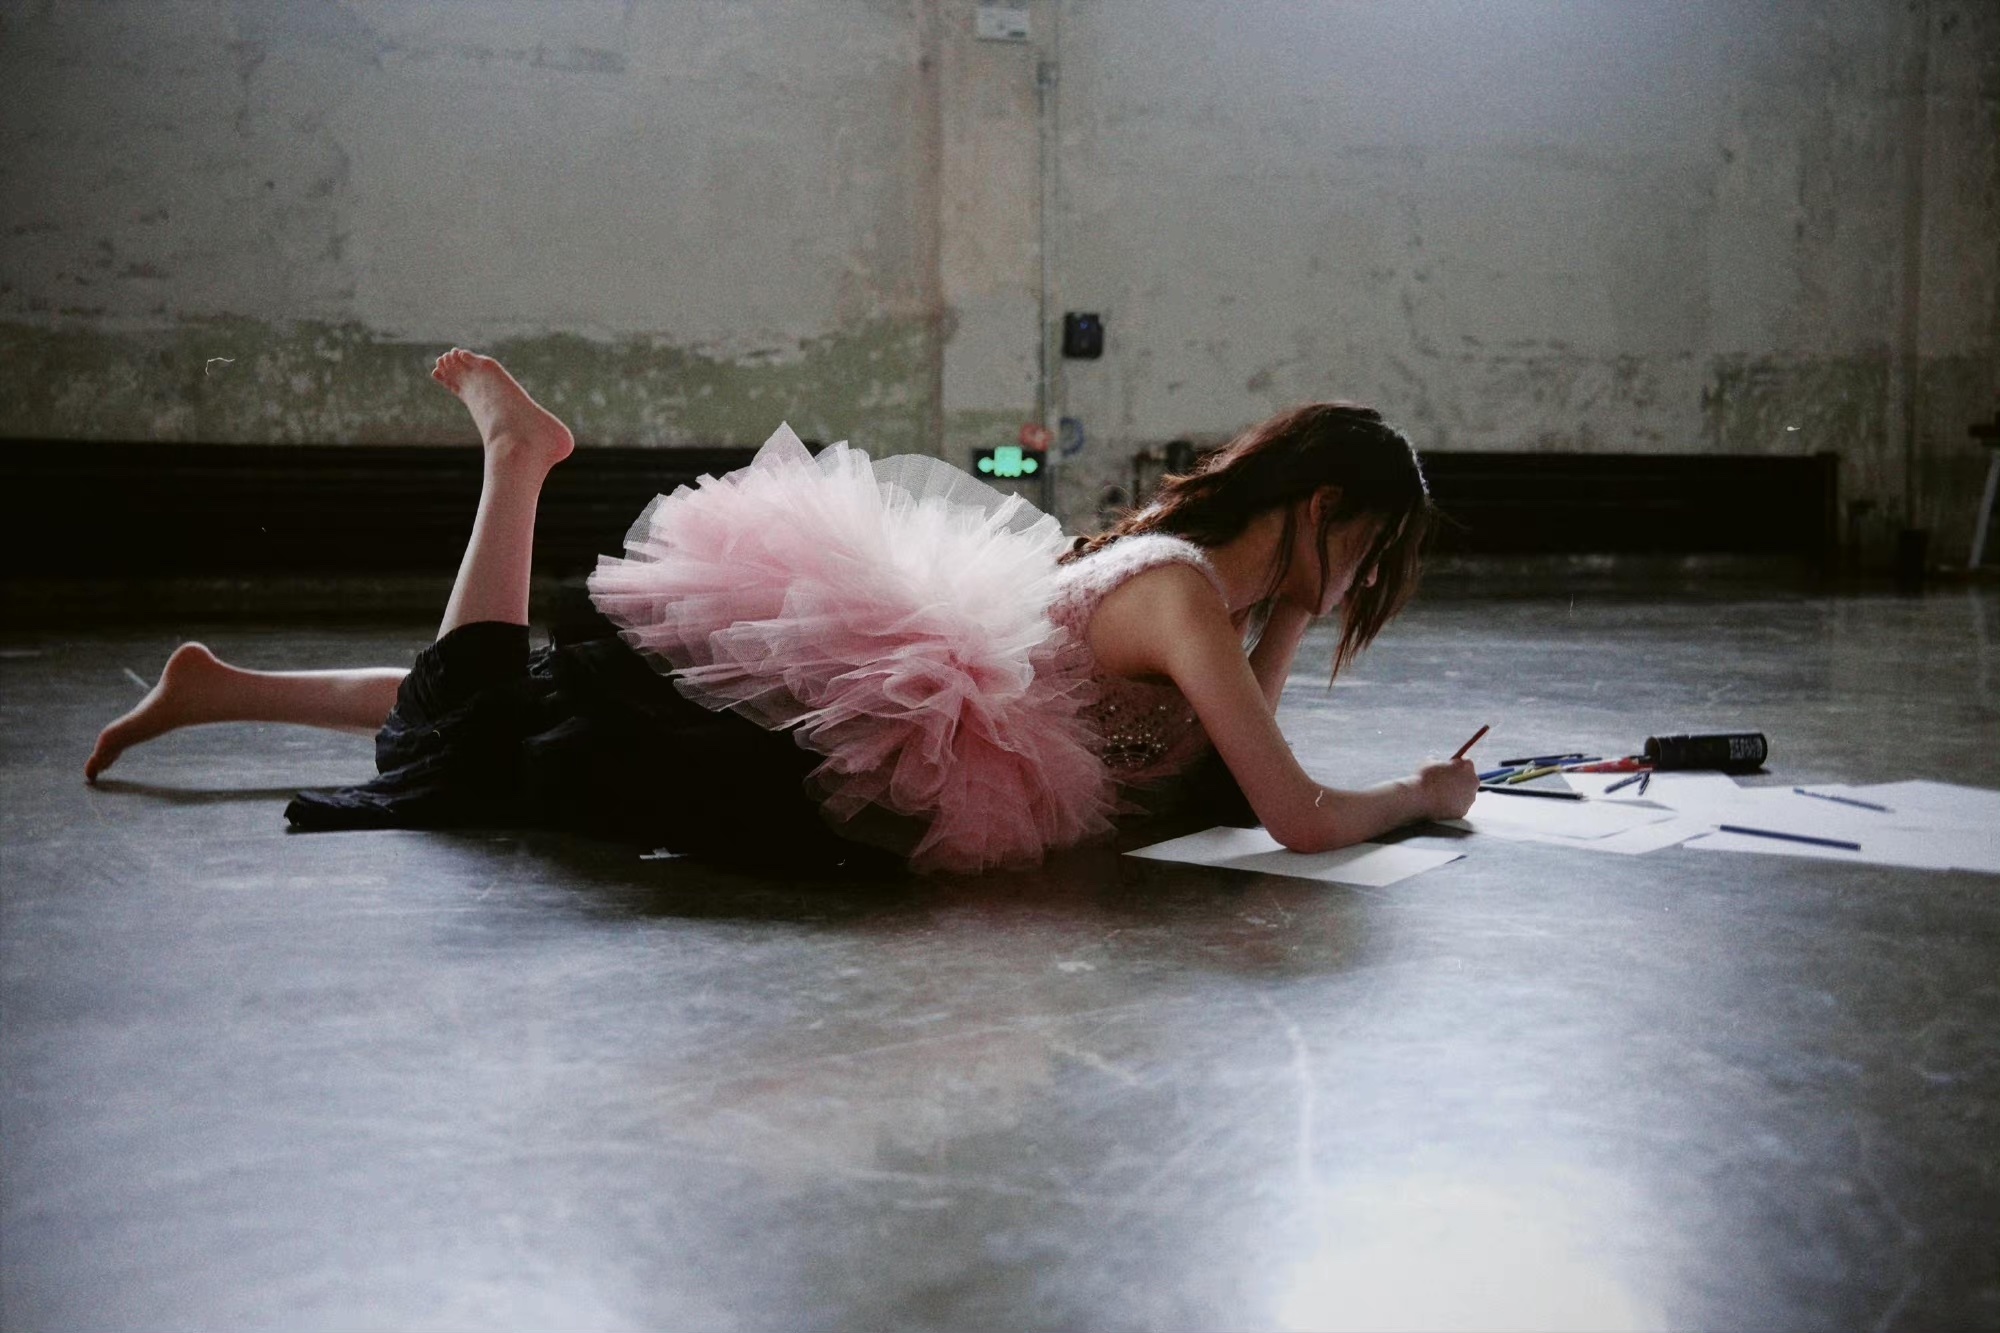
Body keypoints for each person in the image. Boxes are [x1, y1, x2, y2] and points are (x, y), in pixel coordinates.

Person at [84, 350, 1478, 874]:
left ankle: (223, 688)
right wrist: (1420, 795)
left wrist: (1293, 609)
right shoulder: (1174, 589)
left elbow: (1235, 772)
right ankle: (516, 463)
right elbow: (1294, 815)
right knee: (491, 741)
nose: (1363, 585)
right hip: (862, 746)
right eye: (1367, 553)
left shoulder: (1203, 596)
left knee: (526, 714)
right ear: (1322, 509)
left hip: (882, 744)